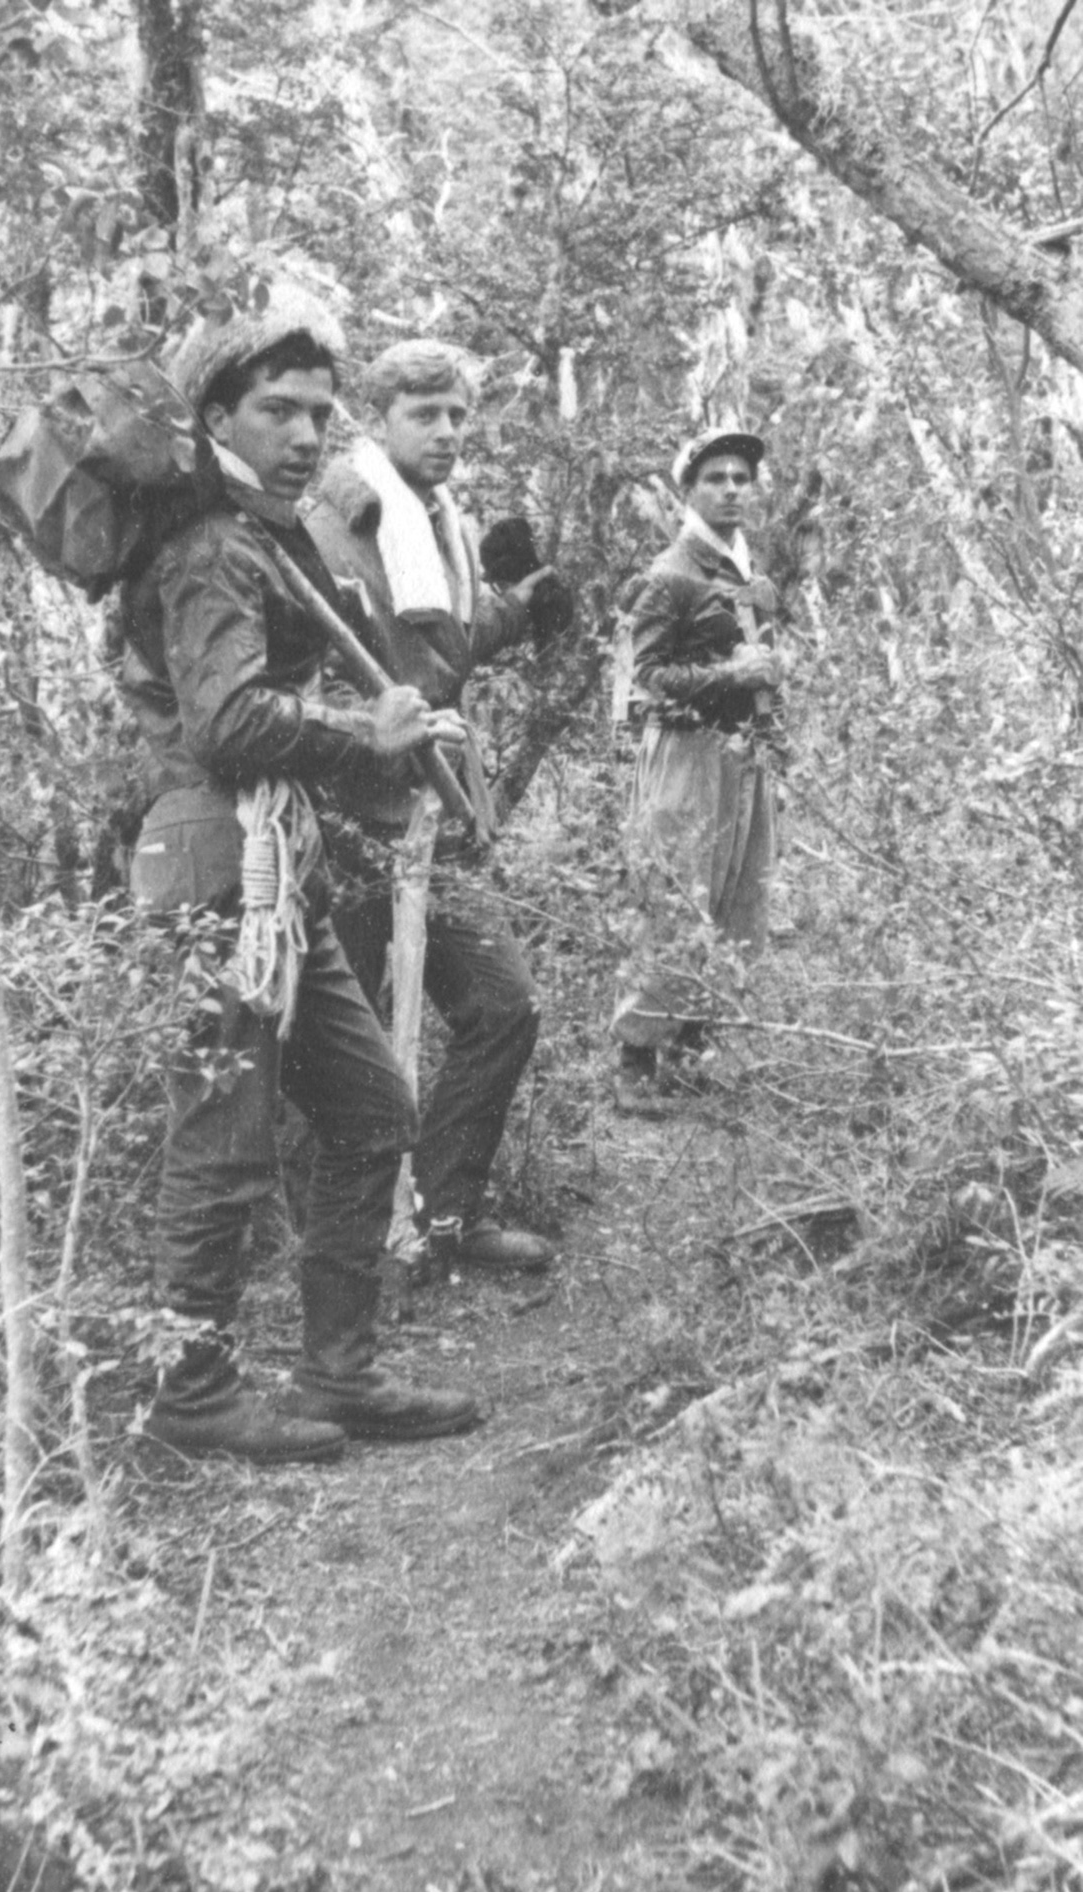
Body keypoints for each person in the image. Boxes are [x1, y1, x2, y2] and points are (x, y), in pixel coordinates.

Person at [120, 290, 481, 1463]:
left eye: (321, 413)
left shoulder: (265, 536)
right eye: (277, 409)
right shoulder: (208, 546)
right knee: (222, 1142)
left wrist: (385, 725)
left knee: (375, 1105)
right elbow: (226, 721)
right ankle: (192, 1393)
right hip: (212, 859)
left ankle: (342, 1371)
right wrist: (359, 734)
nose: (306, 434)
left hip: (277, 866)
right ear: (216, 415)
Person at [304, 338, 558, 1272]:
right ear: (381, 420)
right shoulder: (344, 516)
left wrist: (518, 609)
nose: (447, 432)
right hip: (351, 821)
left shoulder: (436, 516)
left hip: (431, 814)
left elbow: (440, 646)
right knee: (351, 1043)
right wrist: (377, 728)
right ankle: (357, 1250)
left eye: (457, 415)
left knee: (505, 1003)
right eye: (425, 415)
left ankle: (446, 1219)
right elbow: (328, 663)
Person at [611, 429, 782, 1116]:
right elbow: (646, 675)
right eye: (716, 478)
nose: (732, 488)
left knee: (737, 899)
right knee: (674, 895)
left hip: (743, 755)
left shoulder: (744, 570)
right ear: (689, 489)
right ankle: (636, 1064)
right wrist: (728, 675)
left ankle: (691, 1059)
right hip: (685, 753)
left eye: (742, 477)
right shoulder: (670, 573)